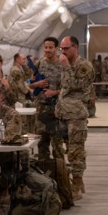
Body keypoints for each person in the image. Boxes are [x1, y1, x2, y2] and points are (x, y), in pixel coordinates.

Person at [56, 36, 94, 200]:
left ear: (75, 47)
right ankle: (74, 181)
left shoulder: (84, 66)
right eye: (61, 49)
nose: (63, 52)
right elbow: (63, 91)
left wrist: (65, 67)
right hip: (64, 114)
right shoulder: (67, 65)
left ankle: (77, 184)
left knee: (76, 151)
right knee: (67, 148)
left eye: (66, 48)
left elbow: (71, 85)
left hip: (77, 116)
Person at [30, 37, 65, 160]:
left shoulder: (63, 65)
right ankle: (45, 176)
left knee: (58, 147)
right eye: (45, 47)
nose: (47, 50)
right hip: (41, 110)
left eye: (50, 47)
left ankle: (61, 176)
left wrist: (54, 92)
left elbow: (69, 88)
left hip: (57, 110)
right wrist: (37, 84)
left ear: (56, 48)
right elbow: (29, 83)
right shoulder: (39, 63)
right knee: (41, 145)